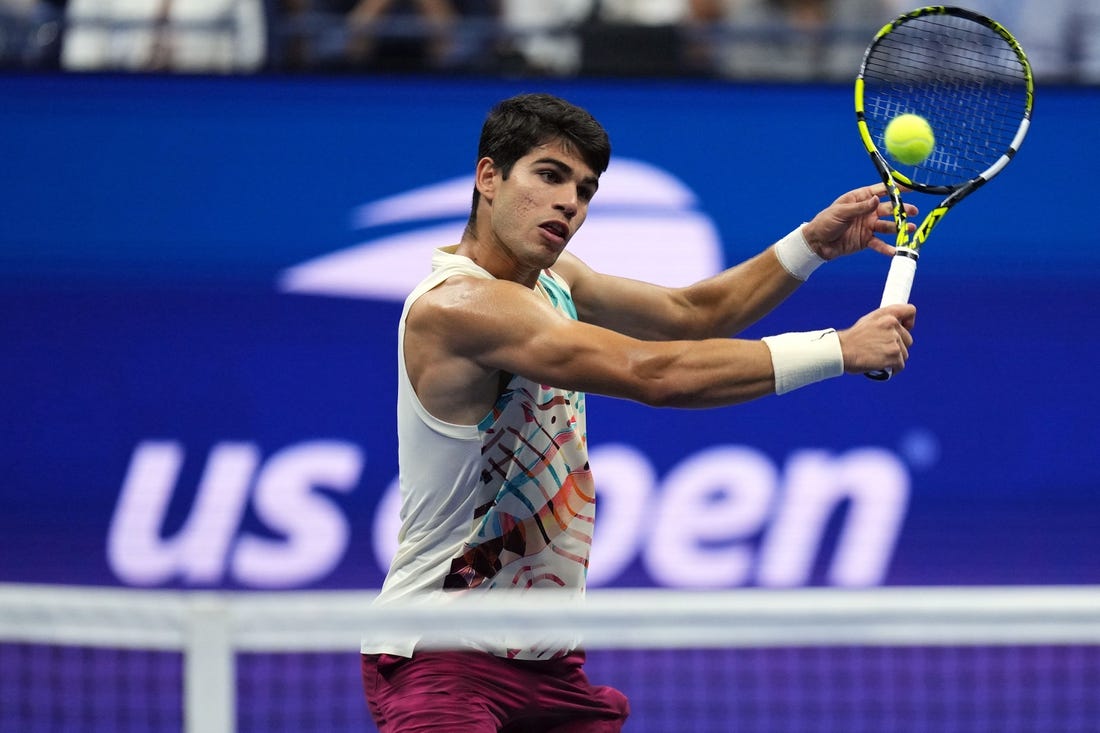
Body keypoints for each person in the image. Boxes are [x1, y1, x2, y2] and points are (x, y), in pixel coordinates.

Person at [360, 92, 916, 732]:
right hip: (441, 655)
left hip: (547, 661)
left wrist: (809, 246)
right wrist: (835, 349)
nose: (570, 202)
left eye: (586, 189)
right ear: (489, 178)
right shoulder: (460, 307)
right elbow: (653, 372)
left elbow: (690, 315)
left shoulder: (555, 280)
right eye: (549, 175)